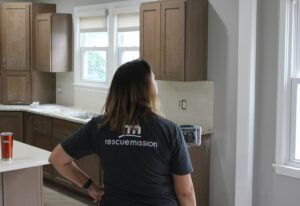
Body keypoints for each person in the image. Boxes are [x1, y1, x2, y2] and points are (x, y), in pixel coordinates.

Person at [49, 59, 196, 206]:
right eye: (154, 79)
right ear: (148, 89)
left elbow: (57, 159)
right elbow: (185, 192)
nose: (156, 84)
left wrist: (91, 186)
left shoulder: (100, 126)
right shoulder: (169, 130)